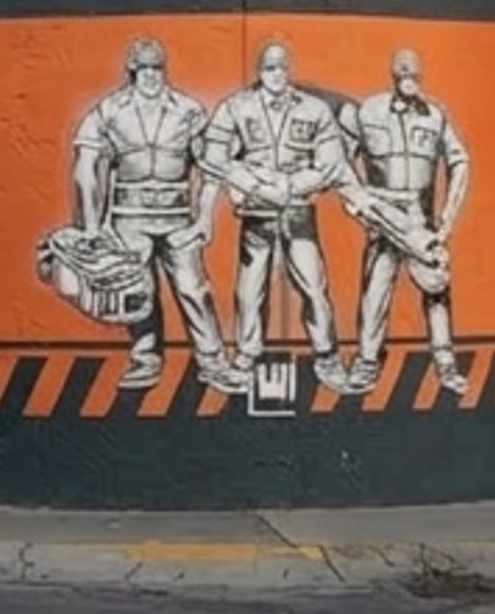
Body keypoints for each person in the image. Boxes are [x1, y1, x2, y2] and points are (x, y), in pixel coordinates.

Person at [71, 36, 247, 394]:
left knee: (194, 289)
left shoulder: (187, 110)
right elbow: (85, 167)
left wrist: (204, 218)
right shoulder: (110, 111)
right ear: (131, 72)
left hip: (177, 217)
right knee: (138, 291)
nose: (150, 75)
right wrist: (90, 226)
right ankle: (145, 357)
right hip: (128, 218)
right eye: (143, 68)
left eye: (156, 67)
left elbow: (211, 167)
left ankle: (212, 362)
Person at [199, 41, 349, 393]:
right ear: (259, 71)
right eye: (269, 69)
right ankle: (246, 357)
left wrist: (289, 185)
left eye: (281, 68)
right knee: (249, 291)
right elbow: (213, 156)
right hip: (256, 215)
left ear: (289, 69)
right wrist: (253, 183)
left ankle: (327, 357)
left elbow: (331, 164)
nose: (276, 75)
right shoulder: (237, 107)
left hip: (298, 212)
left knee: (314, 287)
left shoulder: (313, 110)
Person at [338, 46, 471, 397]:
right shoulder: (369, 111)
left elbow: (460, 161)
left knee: (436, 289)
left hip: (421, 221)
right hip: (382, 218)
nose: (408, 80)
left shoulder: (435, 115)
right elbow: (339, 159)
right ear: (393, 75)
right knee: (375, 291)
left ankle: (446, 366)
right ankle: (367, 363)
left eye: (414, 74)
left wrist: (446, 220)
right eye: (403, 74)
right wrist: (359, 199)